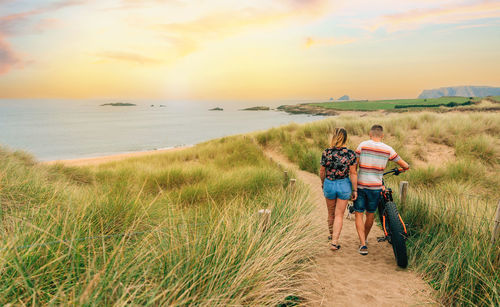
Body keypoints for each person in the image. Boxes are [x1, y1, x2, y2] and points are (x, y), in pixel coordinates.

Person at [354, 125, 409, 255]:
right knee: (370, 214)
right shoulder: (388, 149)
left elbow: (354, 167)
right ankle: (365, 238)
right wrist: (400, 170)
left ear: (369, 134)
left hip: (361, 185)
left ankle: (362, 244)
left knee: (358, 214)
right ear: (382, 135)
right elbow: (405, 165)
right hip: (376, 187)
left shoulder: (362, 145)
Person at [320, 128, 358, 251]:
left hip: (329, 183)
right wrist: (355, 190)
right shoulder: (351, 154)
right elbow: (353, 173)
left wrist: (322, 183)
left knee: (331, 213)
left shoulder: (326, 152)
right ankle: (334, 242)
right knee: (339, 215)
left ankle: (331, 236)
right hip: (344, 185)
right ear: (346, 138)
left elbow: (322, 171)